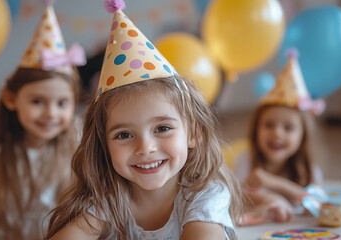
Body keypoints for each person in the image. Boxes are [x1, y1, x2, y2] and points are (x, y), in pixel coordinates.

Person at [44, 0, 242, 239]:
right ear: (103, 145)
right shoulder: (108, 199)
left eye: (162, 128)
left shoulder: (205, 194)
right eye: (124, 135)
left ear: (194, 132)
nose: (145, 147)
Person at [0, 1, 86, 239]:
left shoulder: (77, 152)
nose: (51, 114)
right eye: (37, 102)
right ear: (11, 99)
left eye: (62, 103)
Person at [234, 48, 325, 224]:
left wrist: (272, 182)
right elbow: (237, 197)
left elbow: (318, 205)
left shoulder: (310, 169)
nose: (277, 133)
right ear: (256, 130)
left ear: (303, 136)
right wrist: (274, 202)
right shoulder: (246, 159)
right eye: (268, 125)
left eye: (289, 128)